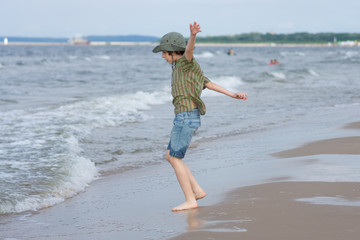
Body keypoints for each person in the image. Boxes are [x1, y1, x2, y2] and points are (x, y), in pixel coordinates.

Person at [152, 22, 248, 212]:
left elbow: (189, 50)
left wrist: (192, 36)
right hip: (186, 116)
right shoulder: (185, 70)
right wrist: (232, 94)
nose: (162, 56)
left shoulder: (186, 64)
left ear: (173, 51)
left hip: (185, 117)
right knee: (170, 156)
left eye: (164, 52)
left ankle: (190, 199)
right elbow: (209, 83)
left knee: (174, 157)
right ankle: (196, 190)